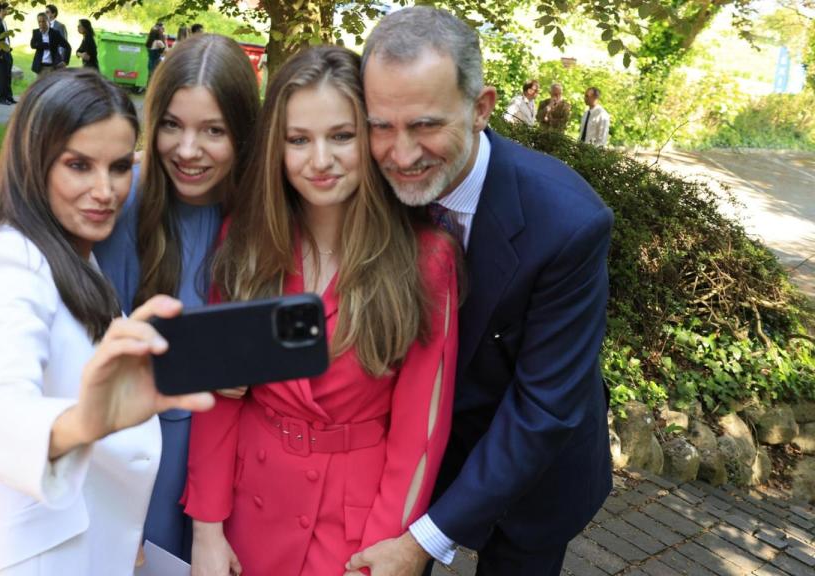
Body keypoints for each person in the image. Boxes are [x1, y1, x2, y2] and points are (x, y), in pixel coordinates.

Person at [348, 7, 613, 576]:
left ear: (481, 108)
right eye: (381, 125)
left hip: (536, 475)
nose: (400, 154)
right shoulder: (371, 190)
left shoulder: (567, 223)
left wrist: (423, 541)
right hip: (411, 462)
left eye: (424, 125)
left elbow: (542, 407)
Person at [184, 45, 459, 576]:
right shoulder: (246, 242)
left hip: (355, 525)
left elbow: (419, 432)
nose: (320, 161)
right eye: (298, 140)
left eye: (341, 136)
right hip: (250, 505)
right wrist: (207, 532)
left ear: (371, 138)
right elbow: (219, 402)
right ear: (277, 149)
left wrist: (386, 546)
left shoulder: (425, 260)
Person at [0, 68, 215, 576]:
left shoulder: (70, 251)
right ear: (34, 161)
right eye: (78, 165)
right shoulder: (11, 262)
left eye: (118, 166)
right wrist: (85, 421)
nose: (105, 190)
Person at [93, 33, 260, 563]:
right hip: (147, 454)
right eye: (172, 125)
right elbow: (96, 349)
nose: (188, 150)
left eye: (213, 130)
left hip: (243, 461)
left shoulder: (268, 213)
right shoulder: (124, 202)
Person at [30, 11, 70, 77]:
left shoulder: (55, 33)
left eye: (43, 21)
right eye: (39, 22)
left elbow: (67, 47)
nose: (41, 24)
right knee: (41, 87)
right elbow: (32, 45)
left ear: (48, 21)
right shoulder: (36, 32)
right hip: (40, 67)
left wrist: (65, 61)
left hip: (53, 67)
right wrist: (46, 45)